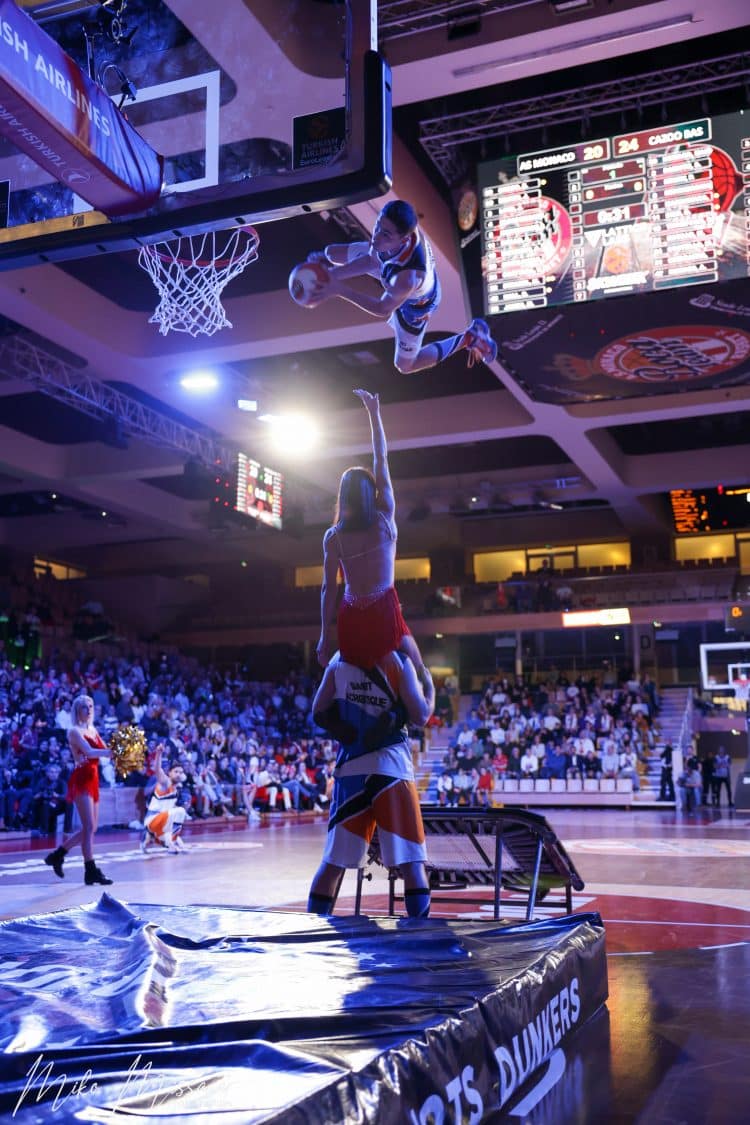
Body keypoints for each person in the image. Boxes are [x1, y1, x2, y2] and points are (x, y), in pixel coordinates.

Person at [307, 647, 435, 918]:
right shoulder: (398, 661)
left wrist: (349, 732)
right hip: (391, 768)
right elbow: (421, 716)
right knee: (412, 862)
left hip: (351, 768)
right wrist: (431, 690)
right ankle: (419, 938)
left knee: (333, 862)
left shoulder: (339, 658)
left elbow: (318, 712)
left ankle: (312, 928)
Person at [317, 389, 429, 691]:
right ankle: (425, 692)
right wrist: (374, 412)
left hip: (351, 613)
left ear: (343, 497)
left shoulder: (334, 536)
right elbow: (382, 458)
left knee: (355, 683)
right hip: (383, 608)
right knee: (418, 670)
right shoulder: (384, 517)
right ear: (372, 492)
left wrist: (325, 634)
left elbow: (329, 588)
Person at [306, 198, 497, 373]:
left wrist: (339, 290)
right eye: (378, 226)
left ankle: (470, 338)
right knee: (331, 253)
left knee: (405, 365)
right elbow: (371, 261)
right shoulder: (388, 235)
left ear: (404, 239)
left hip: (416, 305)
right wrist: (331, 274)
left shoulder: (408, 278)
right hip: (394, 264)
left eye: (386, 234)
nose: (377, 236)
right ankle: (328, 265)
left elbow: (382, 308)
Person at [44, 694, 113, 885]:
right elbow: (90, 753)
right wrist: (111, 752)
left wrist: (121, 752)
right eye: (84, 706)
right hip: (82, 777)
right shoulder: (73, 731)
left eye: (91, 706)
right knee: (89, 827)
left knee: (92, 828)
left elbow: (106, 750)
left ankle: (58, 855)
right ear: (77, 710)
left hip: (94, 778)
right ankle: (90, 870)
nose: (89, 709)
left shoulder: (92, 729)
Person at [141, 747, 188, 853]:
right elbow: (157, 769)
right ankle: (160, 838)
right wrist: (158, 754)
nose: (178, 774)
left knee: (181, 845)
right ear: (169, 773)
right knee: (180, 811)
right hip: (153, 819)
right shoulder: (165, 782)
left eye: (180, 772)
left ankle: (150, 837)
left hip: (163, 822)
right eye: (176, 772)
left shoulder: (176, 787)